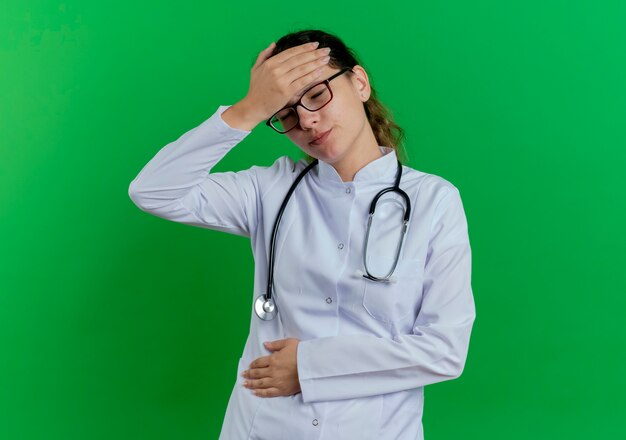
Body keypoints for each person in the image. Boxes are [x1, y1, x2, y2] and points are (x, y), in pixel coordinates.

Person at [128, 29, 476, 440]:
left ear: (359, 83)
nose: (307, 120)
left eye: (316, 94)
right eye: (286, 112)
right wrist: (249, 109)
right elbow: (152, 190)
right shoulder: (268, 191)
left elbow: (444, 351)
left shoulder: (433, 201)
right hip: (264, 428)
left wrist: (308, 367)